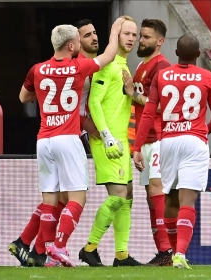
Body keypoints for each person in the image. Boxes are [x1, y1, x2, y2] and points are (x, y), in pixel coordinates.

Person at [18, 18, 124, 267]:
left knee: (49, 200)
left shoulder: (38, 69)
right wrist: (115, 30)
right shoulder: (79, 67)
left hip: (43, 140)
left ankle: (45, 255)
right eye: (77, 40)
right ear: (70, 45)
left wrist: (47, 92)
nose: (80, 44)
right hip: (68, 137)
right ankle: (60, 246)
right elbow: (108, 56)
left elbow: (23, 97)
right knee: (78, 198)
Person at [133, 34, 211, 269]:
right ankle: (180, 255)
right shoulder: (206, 76)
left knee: (170, 198)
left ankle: (175, 253)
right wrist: (204, 131)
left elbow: (149, 112)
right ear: (197, 55)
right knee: (188, 199)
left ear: (176, 54)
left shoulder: (163, 75)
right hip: (194, 141)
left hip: (168, 141)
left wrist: (136, 147)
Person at [79, 15, 143, 267]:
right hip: (108, 141)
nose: (131, 38)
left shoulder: (124, 67)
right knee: (117, 196)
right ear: (116, 36)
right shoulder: (107, 66)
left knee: (127, 196)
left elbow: (125, 101)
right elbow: (94, 101)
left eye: (134, 34)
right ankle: (89, 248)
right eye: (126, 33)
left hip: (121, 141)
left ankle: (121, 255)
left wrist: (135, 95)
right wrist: (106, 137)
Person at [122, 18, 172, 266]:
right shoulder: (143, 65)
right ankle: (163, 252)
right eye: (141, 36)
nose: (141, 40)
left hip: (159, 137)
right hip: (146, 139)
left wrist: (133, 94)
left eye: (147, 37)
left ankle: (168, 252)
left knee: (156, 192)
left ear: (160, 41)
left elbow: (162, 105)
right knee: (151, 197)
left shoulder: (162, 66)